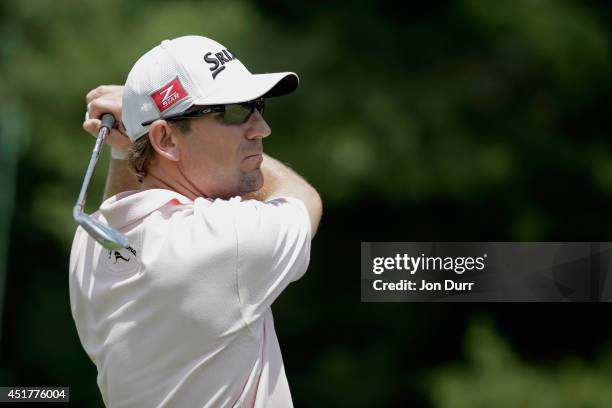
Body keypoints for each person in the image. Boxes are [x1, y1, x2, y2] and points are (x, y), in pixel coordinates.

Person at [69, 35, 322, 408]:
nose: (261, 129)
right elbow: (303, 197)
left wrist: (132, 145)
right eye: (234, 112)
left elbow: (125, 205)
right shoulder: (225, 240)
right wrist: (139, 132)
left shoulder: (90, 243)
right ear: (167, 139)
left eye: (257, 107)